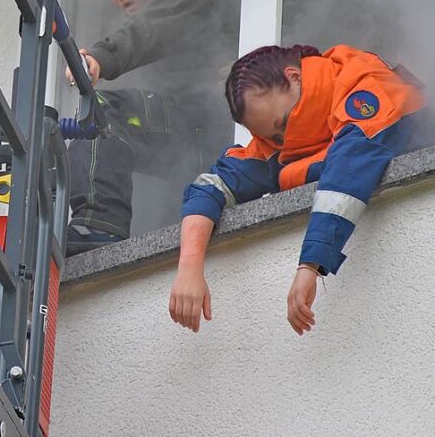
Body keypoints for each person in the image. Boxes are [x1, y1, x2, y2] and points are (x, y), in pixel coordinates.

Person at [168, 44, 424, 335]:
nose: (284, 140)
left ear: (294, 76)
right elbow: (211, 187)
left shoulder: (369, 88)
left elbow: (349, 166)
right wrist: (189, 267)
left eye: (285, 124)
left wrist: (310, 266)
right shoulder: (279, 138)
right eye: (273, 136)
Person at [64, 0, 226, 255]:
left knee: (102, 114)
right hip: (191, 131)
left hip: (216, 131)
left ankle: (99, 227)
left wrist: (101, 57)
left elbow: (158, 26)